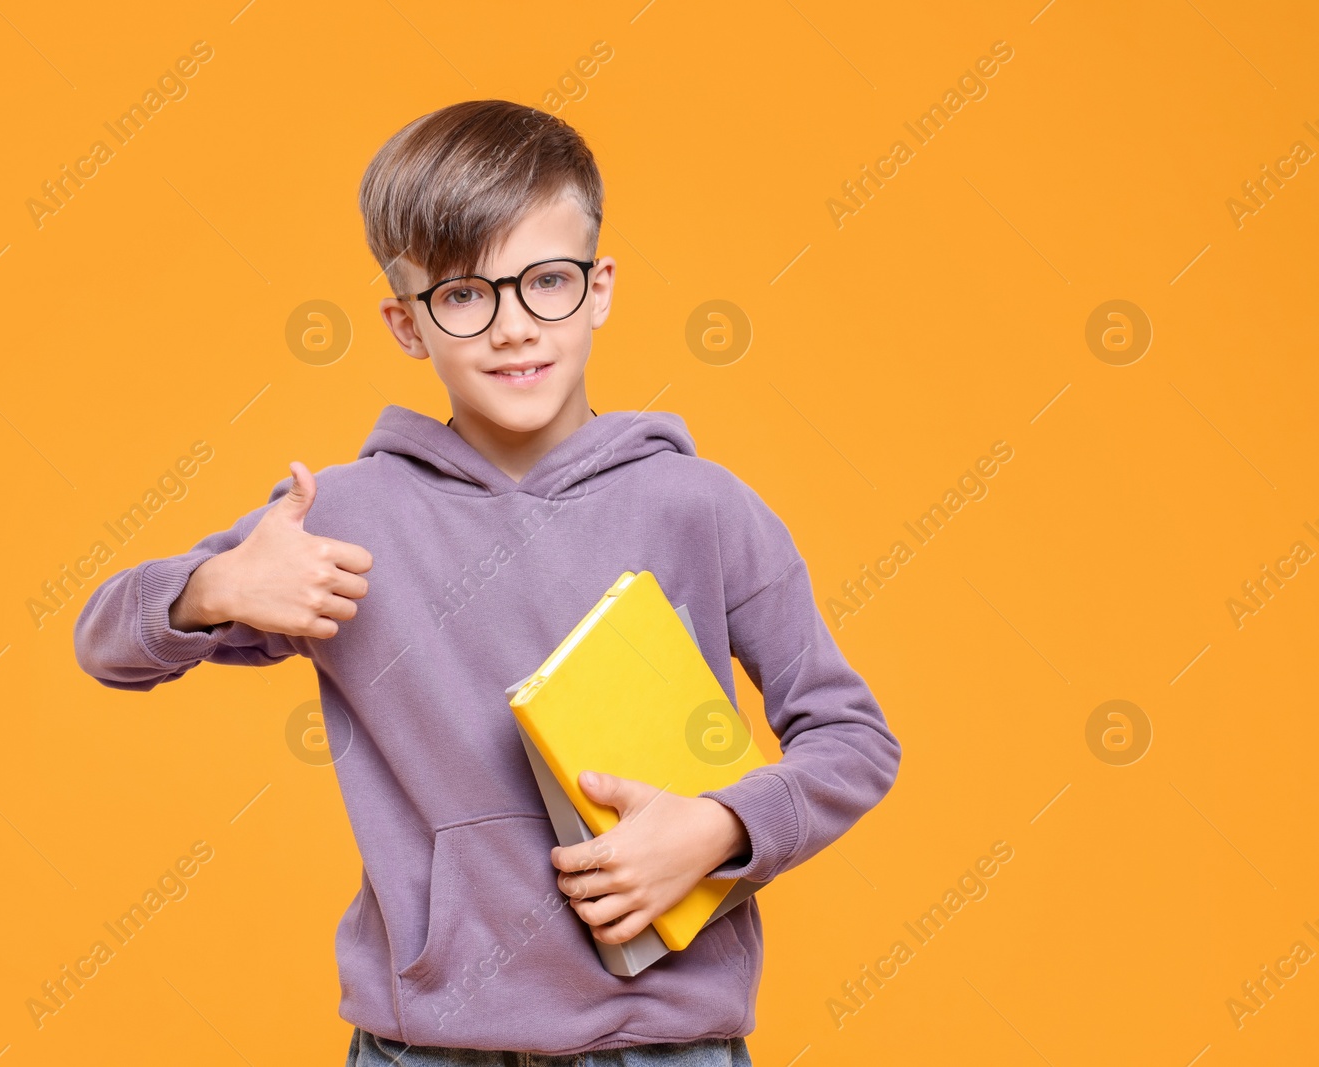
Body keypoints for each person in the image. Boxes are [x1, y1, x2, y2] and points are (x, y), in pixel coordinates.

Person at [73, 99, 901, 1064]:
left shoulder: (699, 506)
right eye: (465, 295)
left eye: (545, 281)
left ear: (599, 289)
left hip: (668, 1045)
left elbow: (852, 739)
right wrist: (210, 587)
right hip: (424, 1045)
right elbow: (106, 645)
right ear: (406, 322)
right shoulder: (341, 521)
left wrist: (718, 827)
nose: (513, 328)